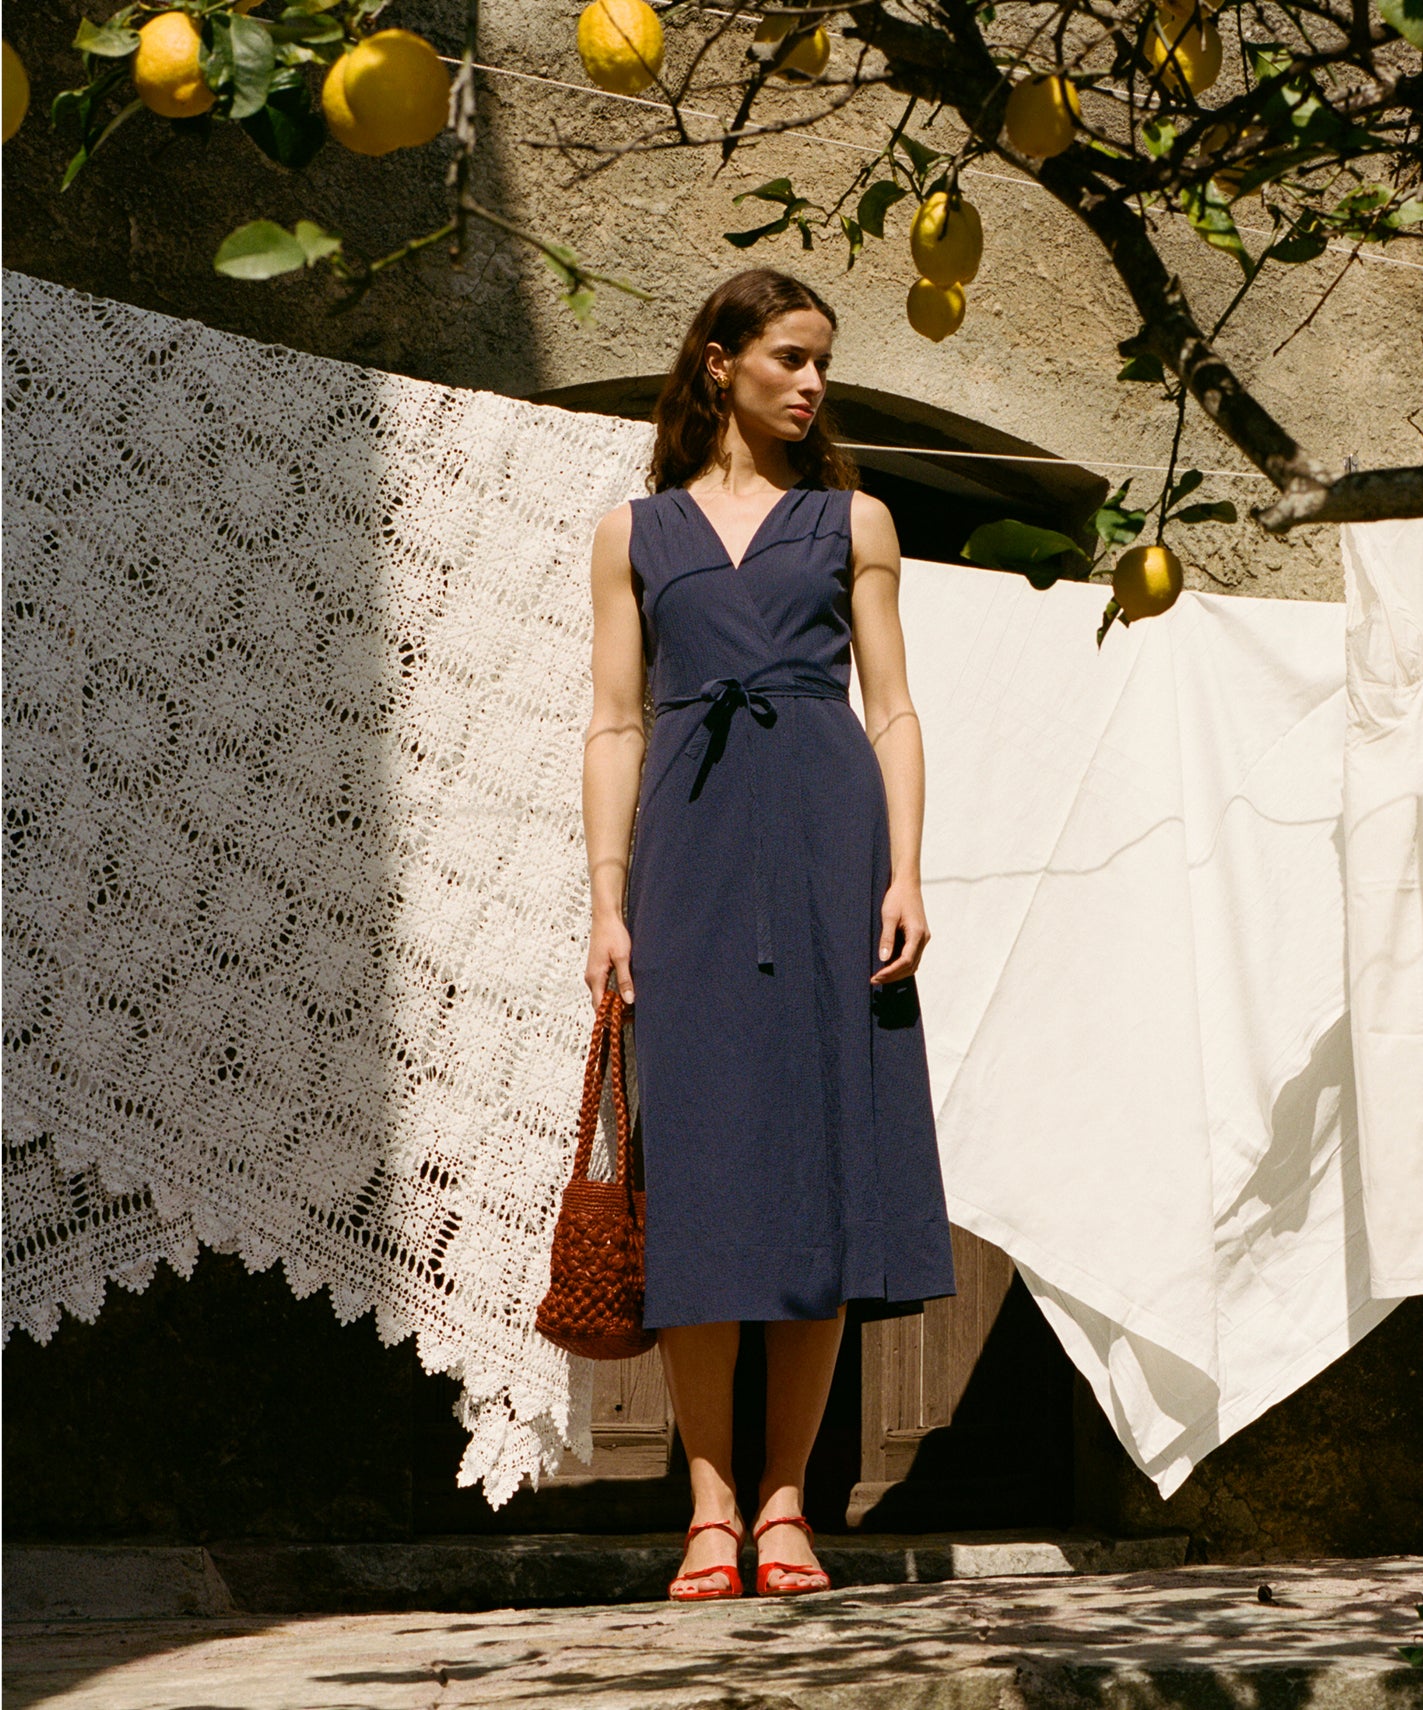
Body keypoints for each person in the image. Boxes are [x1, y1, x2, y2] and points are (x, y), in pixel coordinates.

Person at [581, 268, 956, 1601]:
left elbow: (893, 708)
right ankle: (709, 1507)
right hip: (685, 862)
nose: (812, 384)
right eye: (791, 357)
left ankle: (788, 1502)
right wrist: (606, 898)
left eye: (822, 365)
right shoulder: (632, 532)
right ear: (720, 362)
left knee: (816, 1165)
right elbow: (614, 721)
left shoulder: (856, 519)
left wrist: (905, 871)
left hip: (826, 847)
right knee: (699, 1172)